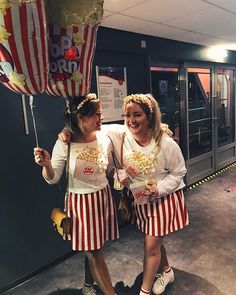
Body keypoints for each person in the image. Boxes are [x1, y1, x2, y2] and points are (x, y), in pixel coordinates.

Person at [59, 93, 189, 295]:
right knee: (153, 239)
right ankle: (167, 271)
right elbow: (82, 123)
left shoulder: (166, 143)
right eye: (127, 115)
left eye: (137, 115)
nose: (131, 120)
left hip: (164, 198)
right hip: (140, 199)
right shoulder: (120, 134)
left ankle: (144, 292)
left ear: (150, 116)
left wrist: (159, 188)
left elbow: (180, 172)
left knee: (151, 244)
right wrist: (66, 131)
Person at [34, 93, 119, 295]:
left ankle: (88, 286)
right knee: (94, 251)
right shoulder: (65, 142)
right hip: (81, 204)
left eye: (101, 113)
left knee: (94, 248)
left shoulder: (103, 136)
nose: (101, 117)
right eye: (96, 114)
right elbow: (52, 178)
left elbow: (108, 167)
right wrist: (46, 164)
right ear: (82, 118)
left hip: (102, 198)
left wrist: (160, 130)